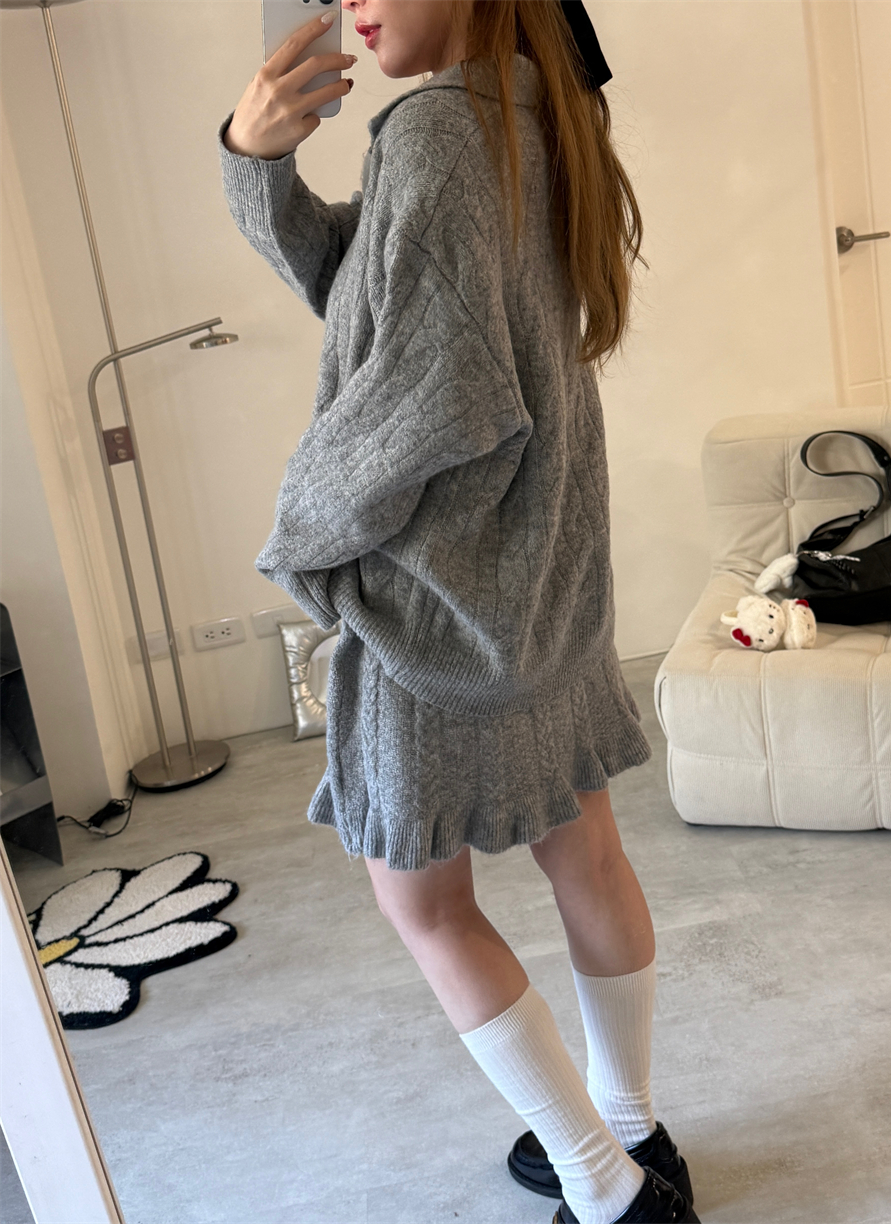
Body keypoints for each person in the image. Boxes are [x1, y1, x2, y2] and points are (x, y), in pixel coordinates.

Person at [218, 3, 698, 1221]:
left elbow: (433, 387)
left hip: (436, 604)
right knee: (586, 853)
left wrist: (302, 532)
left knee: (422, 904)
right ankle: (633, 1131)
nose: (355, 1)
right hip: (544, 578)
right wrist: (258, 163)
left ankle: (608, 1191)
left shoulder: (436, 132)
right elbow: (367, 290)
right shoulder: (541, 115)